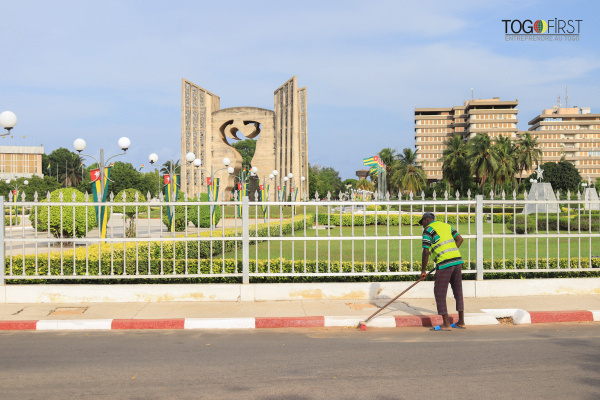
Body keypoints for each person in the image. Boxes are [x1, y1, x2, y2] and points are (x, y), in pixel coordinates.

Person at [419, 212, 466, 331]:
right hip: (457, 261)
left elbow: (425, 251)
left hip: (445, 263)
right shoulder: (446, 225)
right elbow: (460, 239)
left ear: (426, 219)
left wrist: (423, 270)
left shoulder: (428, 230)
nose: (422, 226)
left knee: (440, 292)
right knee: (458, 291)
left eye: (422, 223)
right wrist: (451, 253)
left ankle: (446, 324)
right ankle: (461, 321)